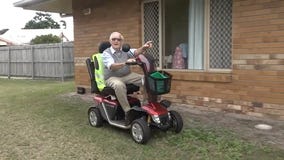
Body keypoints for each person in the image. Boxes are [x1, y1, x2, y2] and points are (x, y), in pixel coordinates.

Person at [102, 32, 153, 115]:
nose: (116, 41)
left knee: (146, 79)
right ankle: (128, 112)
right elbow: (112, 66)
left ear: (122, 41)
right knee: (119, 85)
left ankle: (146, 105)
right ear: (110, 41)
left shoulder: (125, 49)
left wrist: (144, 47)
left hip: (127, 75)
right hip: (112, 77)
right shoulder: (106, 53)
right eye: (113, 39)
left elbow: (136, 52)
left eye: (118, 39)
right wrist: (125, 62)